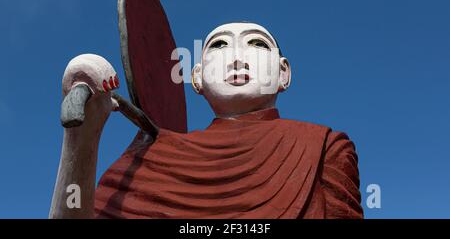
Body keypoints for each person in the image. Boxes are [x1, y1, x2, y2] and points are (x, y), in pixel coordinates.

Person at [50, 22, 363, 219]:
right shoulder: (155, 154)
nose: (237, 57)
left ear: (284, 73)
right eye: (219, 46)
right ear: (197, 78)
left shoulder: (323, 146)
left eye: (256, 44)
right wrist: (82, 140)